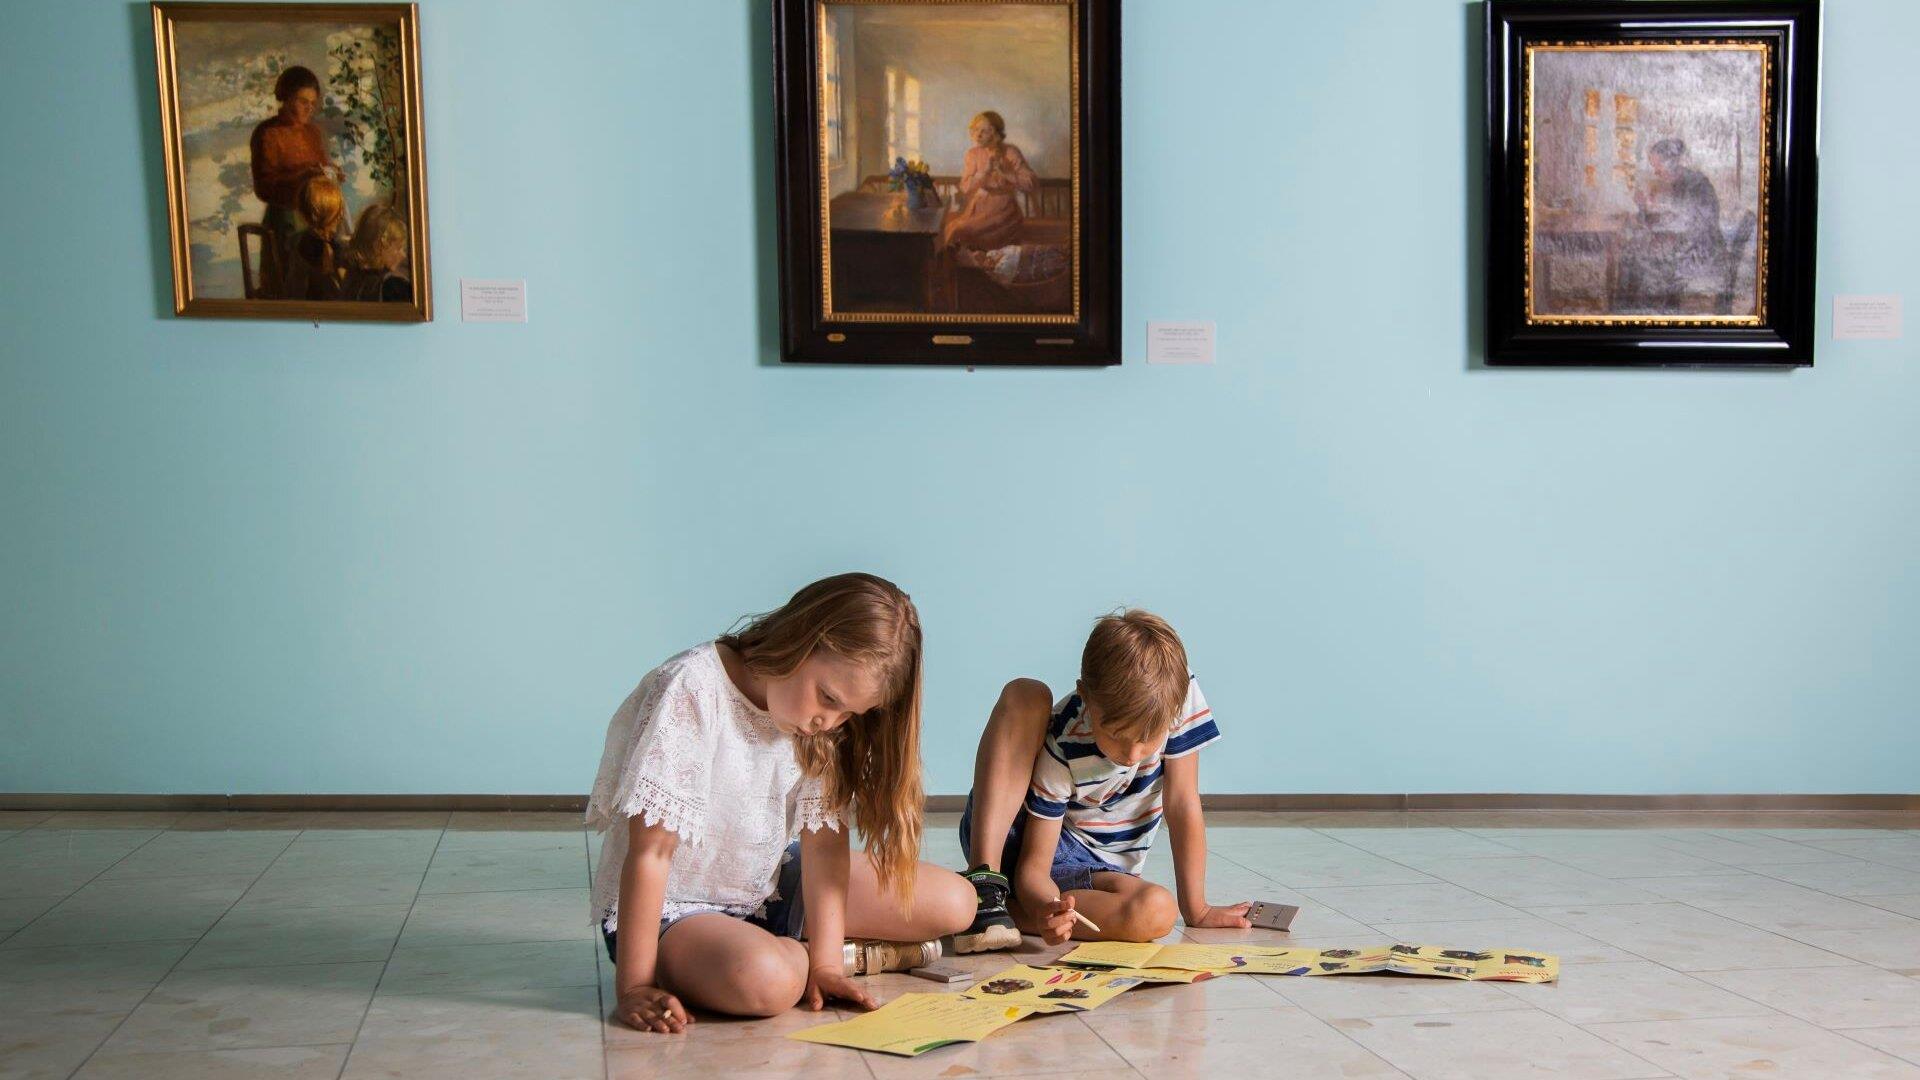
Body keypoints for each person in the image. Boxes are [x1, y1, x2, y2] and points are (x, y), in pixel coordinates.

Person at [587, 573, 975, 1034]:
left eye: (850, 712)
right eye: (828, 697)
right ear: (801, 638)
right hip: (670, 909)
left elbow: (823, 846)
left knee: (956, 902)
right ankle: (791, 957)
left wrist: (827, 966)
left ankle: (823, 956)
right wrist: (634, 985)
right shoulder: (692, 687)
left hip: (763, 885)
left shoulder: (820, 726)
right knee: (766, 980)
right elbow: (651, 853)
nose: (829, 720)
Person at [953, 610, 1250, 953]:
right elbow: (1034, 866)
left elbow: (1182, 803)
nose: (1134, 754)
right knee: (1026, 693)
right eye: (1117, 736)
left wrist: (1197, 909)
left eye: (1148, 739)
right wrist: (1040, 897)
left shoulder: (1174, 693)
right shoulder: (1063, 746)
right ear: (1086, 698)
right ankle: (985, 886)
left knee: (1156, 910)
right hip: (1017, 833)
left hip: (1096, 869)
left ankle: (999, 912)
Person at [249, 66, 341, 296]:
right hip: (284, 220)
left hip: (314, 216)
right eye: (303, 101)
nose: (309, 108)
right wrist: (302, 177)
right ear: (286, 97)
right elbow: (264, 187)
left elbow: (318, 170)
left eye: (312, 103)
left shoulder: (312, 133)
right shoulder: (267, 133)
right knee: (296, 281)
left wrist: (330, 173)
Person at [1620, 137, 1725, 312]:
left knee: (1641, 262)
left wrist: (1651, 216)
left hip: (1701, 252)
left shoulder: (1696, 185)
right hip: (1688, 246)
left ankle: (1648, 313)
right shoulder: (1680, 183)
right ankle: (1634, 313)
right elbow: (1675, 219)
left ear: (1670, 164)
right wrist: (1645, 210)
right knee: (1633, 255)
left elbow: (1690, 227)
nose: (1656, 174)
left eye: (1657, 168)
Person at [940, 110, 1036, 253]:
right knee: (952, 229)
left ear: (995, 133)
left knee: (960, 232)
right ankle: (957, 269)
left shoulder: (1010, 152)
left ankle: (978, 266)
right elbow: (965, 187)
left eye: (984, 131)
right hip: (978, 209)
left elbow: (1030, 183)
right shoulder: (972, 154)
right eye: (976, 129)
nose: (978, 135)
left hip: (1004, 212)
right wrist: (984, 172)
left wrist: (1006, 173)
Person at [281, 176, 347, 302]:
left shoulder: (297, 242)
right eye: (340, 210)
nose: (342, 214)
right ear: (337, 214)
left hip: (301, 312)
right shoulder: (337, 249)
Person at [341, 204, 412, 302]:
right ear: (378, 246)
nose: (403, 255)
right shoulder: (391, 286)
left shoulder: (351, 276)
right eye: (399, 248)